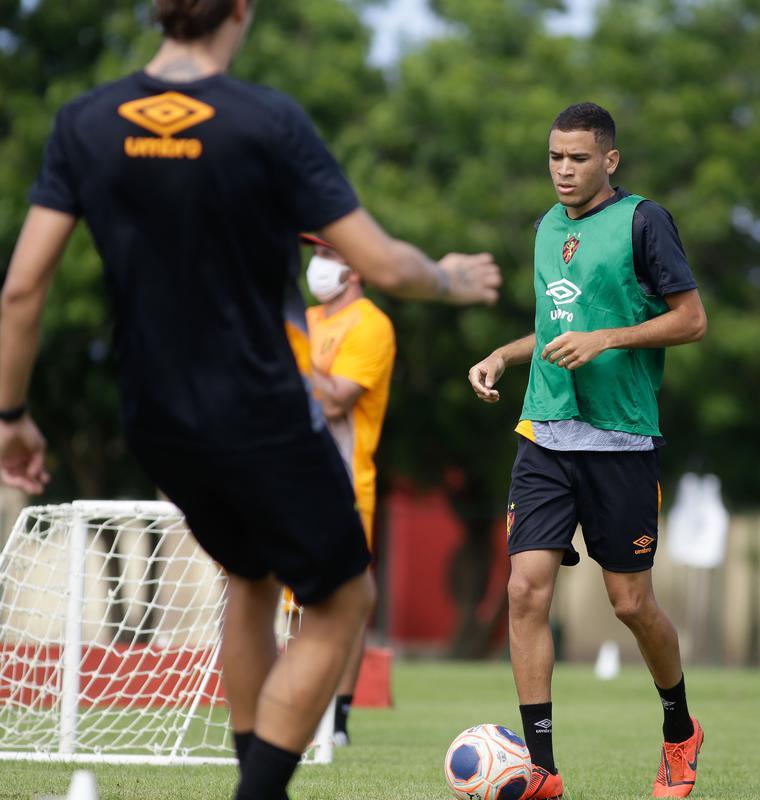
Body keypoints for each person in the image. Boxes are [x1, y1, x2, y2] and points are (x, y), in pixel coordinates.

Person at [0, 2, 500, 799]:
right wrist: (452, 278)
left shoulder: (83, 121)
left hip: (154, 415)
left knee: (251, 578)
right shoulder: (266, 121)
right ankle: (258, 793)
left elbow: (22, 290)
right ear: (242, 8)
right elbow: (382, 262)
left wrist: (11, 417)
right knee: (345, 596)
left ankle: (251, 780)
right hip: (258, 405)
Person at [468, 102, 708, 799]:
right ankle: (541, 771)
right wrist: (505, 356)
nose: (563, 170)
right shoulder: (546, 226)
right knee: (524, 590)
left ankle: (679, 732)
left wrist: (608, 339)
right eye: (554, 157)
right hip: (544, 432)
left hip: (621, 439)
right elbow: (555, 326)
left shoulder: (643, 221)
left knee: (631, 605)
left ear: (610, 160)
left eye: (577, 158)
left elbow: (691, 321)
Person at [290, 233, 396, 746]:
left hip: (346, 482)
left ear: (355, 267)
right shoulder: (307, 320)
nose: (317, 264)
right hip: (291, 476)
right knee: (282, 595)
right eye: (315, 254)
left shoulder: (371, 324)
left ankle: (338, 720)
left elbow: (335, 402)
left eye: (328, 255)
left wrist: (288, 346)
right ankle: (288, 703)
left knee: (342, 599)